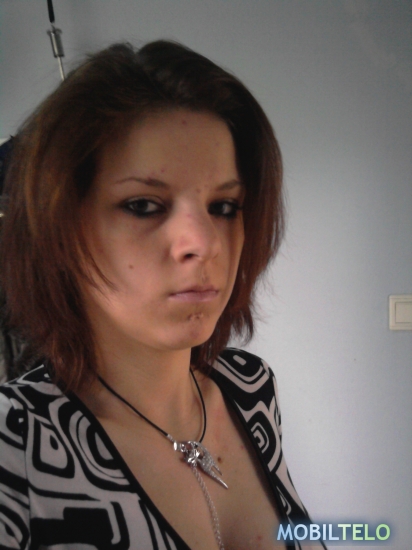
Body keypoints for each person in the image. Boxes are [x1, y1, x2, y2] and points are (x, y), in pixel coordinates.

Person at [0, 40, 325, 550]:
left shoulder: (250, 388)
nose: (204, 243)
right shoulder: (15, 444)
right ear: (61, 228)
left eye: (224, 206)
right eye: (144, 205)